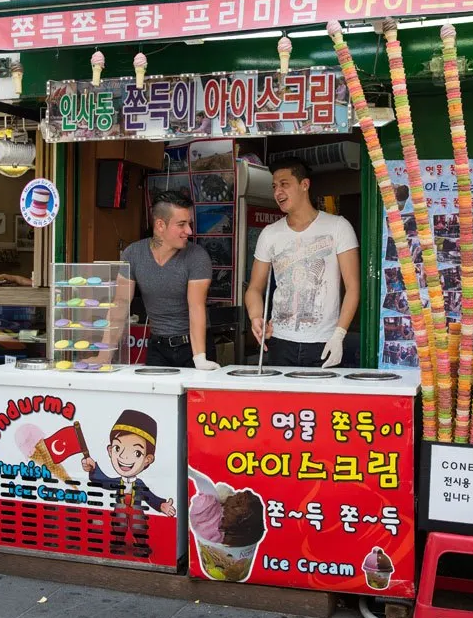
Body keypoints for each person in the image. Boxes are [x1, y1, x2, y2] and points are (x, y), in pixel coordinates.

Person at [245, 157, 359, 367]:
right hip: (280, 341)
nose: (277, 192)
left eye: (284, 184)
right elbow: (254, 288)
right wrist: (255, 317)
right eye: (274, 186)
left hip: (324, 341)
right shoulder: (270, 234)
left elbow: (352, 287)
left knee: (323, 401)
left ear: (304, 185)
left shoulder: (338, 227)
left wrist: (339, 335)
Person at [112, 191, 219, 369]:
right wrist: (102, 355)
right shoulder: (133, 253)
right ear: (160, 225)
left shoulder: (197, 257)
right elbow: (120, 304)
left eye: (189, 224)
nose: (189, 231)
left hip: (194, 346)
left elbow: (196, 306)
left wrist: (199, 358)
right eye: (182, 224)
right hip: (158, 347)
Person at [81, 409, 176, 558]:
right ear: (110, 450)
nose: (125, 457)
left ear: (148, 459)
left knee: (139, 526)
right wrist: (93, 468)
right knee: (118, 525)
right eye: (118, 448)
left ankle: (141, 545)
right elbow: (102, 480)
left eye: (137, 453)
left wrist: (161, 504)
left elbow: (150, 497)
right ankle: (118, 544)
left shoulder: (139, 483)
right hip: (120, 507)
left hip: (136, 508)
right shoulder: (117, 481)